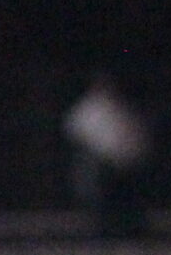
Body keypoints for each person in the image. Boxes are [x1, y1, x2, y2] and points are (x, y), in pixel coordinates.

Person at [65, 73, 152, 237]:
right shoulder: (88, 108)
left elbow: (136, 137)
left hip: (125, 164)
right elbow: (77, 133)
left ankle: (130, 227)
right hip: (99, 163)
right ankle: (102, 227)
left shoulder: (121, 107)